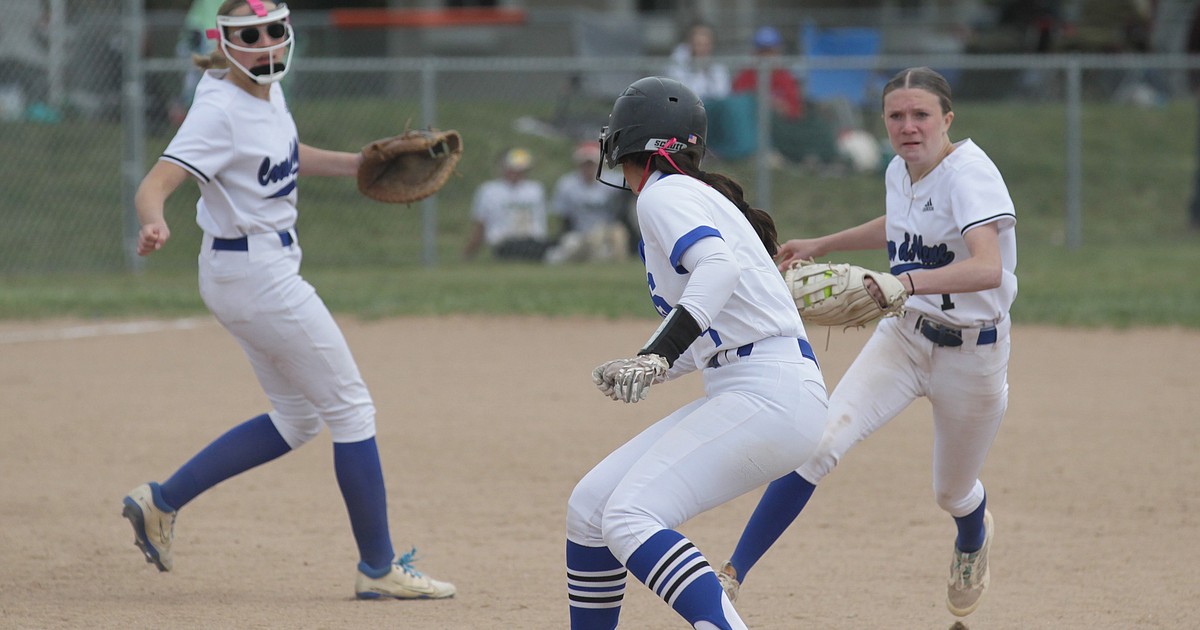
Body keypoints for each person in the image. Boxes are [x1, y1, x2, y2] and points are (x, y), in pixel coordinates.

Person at [120, 0, 455, 601]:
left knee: (299, 419)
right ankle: (377, 568)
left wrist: (356, 164)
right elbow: (156, 183)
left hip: (250, 270)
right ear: (224, 44)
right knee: (352, 409)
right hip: (256, 274)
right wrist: (153, 223)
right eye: (249, 36)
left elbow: (285, 156)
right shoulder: (219, 107)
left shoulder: (267, 94)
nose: (266, 43)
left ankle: (160, 501)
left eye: (275, 29)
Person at [715, 66, 1017, 621]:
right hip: (903, 338)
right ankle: (731, 576)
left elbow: (987, 267)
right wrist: (824, 242)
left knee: (952, 493)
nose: (908, 126)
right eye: (896, 116)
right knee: (817, 443)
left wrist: (905, 282)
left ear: (947, 119)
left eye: (921, 115)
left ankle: (972, 536)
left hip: (972, 354)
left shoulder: (971, 174)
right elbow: (903, 224)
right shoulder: (901, 171)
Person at [566, 76, 829, 630]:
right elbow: (717, 333)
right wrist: (647, 362)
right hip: (761, 385)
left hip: (770, 392)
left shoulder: (665, 194)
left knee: (632, 514)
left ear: (626, 142)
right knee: (591, 508)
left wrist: (659, 352)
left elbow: (719, 269)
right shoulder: (688, 195)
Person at [544, 140, 629, 264]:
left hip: (606, 232)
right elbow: (563, 217)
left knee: (617, 233)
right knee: (563, 252)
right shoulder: (566, 184)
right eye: (585, 163)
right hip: (579, 233)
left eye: (591, 163)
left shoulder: (614, 181)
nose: (588, 167)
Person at [463, 147, 551, 261]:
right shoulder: (488, 190)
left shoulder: (535, 190)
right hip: (504, 242)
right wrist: (470, 250)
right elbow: (480, 225)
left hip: (533, 241)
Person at [168, 0, 225, 127]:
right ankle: (183, 116)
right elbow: (195, 30)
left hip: (211, 47)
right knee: (192, 87)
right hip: (199, 47)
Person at [730, 26, 804, 120]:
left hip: (781, 125)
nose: (766, 57)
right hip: (752, 124)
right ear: (754, 53)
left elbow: (796, 112)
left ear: (778, 53)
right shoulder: (744, 76)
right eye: (762, 52)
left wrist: (778, 106)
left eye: (770, 52)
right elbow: (736, 109)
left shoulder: (786, 77)